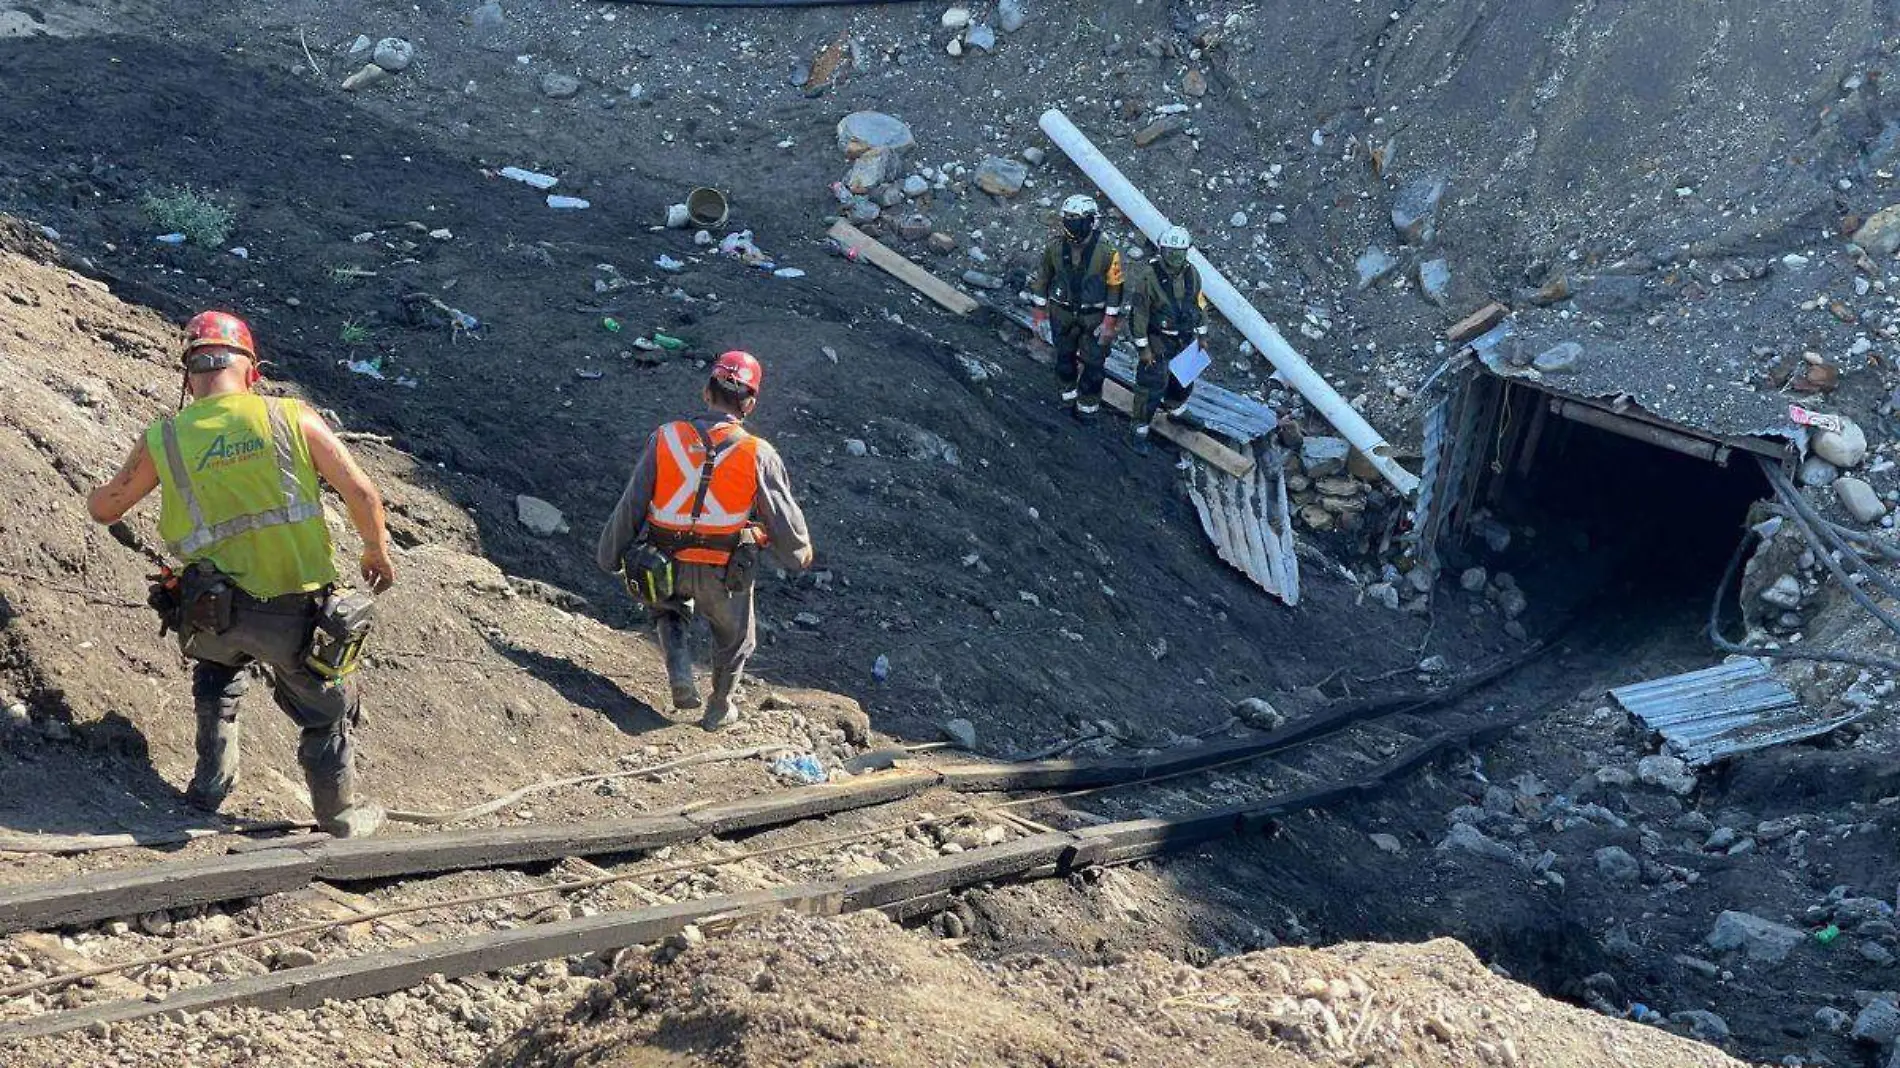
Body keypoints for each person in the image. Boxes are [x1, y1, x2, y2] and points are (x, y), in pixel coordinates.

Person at [86, 311, 395, 838]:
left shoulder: (165, 438)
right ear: (251, 368)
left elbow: (107, 508)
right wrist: (375, 550)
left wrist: (99, 492)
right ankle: (339, 814)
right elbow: (362, 492)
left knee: (215, 674)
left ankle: (209, 785)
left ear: (189, 375)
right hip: (295, 611)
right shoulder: (291, 417)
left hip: (210, 608)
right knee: (326, 707)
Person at [596, 351, 814, 731]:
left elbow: (633, 502)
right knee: (735, 640)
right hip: (724, 573)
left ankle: (679, 668)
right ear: (749, 403)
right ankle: (719, 706)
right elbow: (784, 522)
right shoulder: (758, 453)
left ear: (706, 392)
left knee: (666, 607)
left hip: (663, 563)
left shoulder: (665, 438)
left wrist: (609, 554)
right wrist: (799, 555)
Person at [1030, 194, 1124, 419]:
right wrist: (1039, 315)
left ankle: (1087, 409)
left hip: (1093, 317)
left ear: (1091, 221)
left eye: (1076, 218)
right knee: (1064, 359)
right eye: (1068, 218)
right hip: (1061, 313)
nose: (1071, 223)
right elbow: (1042, 279)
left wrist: (1109, 322)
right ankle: (1066, 397)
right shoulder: (1055, 248)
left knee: (1094, 366)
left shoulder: (1107, 251)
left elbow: (1116, 287)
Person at [1127, 225, 1210, 453]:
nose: (1174, 257)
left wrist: (1202, 334)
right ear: (1162, 251)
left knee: (1184, 378)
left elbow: (1199, 303)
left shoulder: (1193, 274)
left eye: (1179, 252)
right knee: (1151, 385)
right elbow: (1139, 314)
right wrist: (1143, 348)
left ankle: (1176, 409)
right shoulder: (1148, 278)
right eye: (1170, 252)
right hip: (1158, 338)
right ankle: (1139, 428)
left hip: (1184, 336)